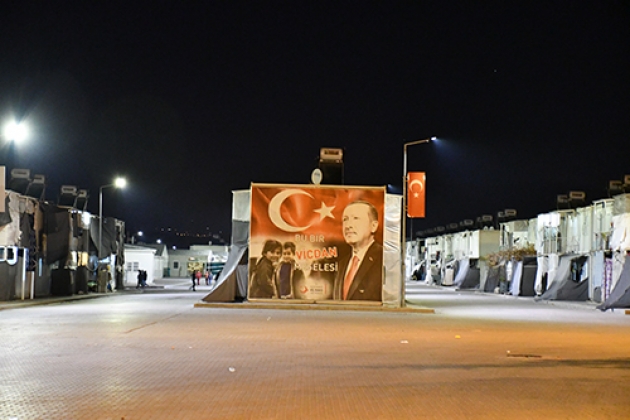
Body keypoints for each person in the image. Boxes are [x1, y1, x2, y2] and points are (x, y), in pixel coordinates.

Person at [333, 201, 383, 301]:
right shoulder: (342, 263)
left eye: (356, 218)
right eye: (345, 219)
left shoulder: (383, 259)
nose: (348, 226)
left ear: (373, 226)